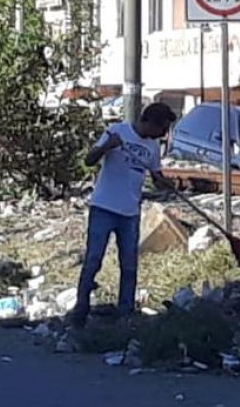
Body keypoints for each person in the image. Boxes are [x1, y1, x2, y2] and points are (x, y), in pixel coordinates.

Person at [70, 102, 178, 329]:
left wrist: (167, 184)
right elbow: (89, 161)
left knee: (129, 266)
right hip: (104, 207)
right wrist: (107, 147)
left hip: (130, 213)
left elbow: (156, 177)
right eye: (162, 129)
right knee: (93, 260)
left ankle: (125, 314)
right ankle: (80, 311)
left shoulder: (152, 146)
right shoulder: (117, 131)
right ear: (148, 122)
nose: (163, 134)